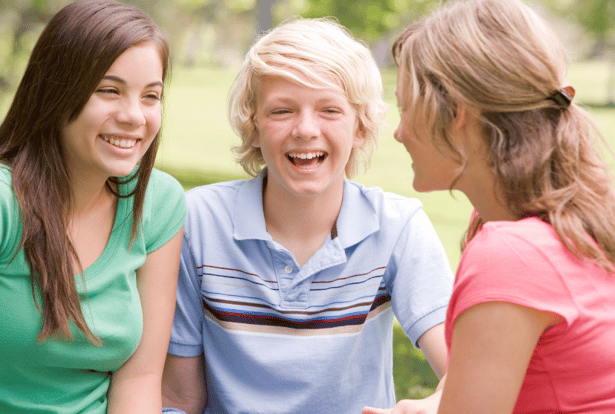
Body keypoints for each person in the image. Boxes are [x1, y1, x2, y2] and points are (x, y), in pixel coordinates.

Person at [161, 18, 454, 414]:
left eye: (330, 109)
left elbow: (463, 377)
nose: (305, 129)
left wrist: (433, 406)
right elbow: (177, 398)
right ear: (253, 124)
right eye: (282, 110)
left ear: (361, 126)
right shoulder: (197, 221)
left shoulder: (397, 226)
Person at [365, 0, 615, 412]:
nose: (399, 132)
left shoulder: (509, 255)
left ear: (455, 114)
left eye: (406, 107)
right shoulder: (572, 224)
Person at [0, 1, 186, 413]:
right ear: (57, 92)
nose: (134, 116)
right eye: (108, 90)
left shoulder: (158, 203)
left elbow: (141, 376)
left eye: (151, 96)